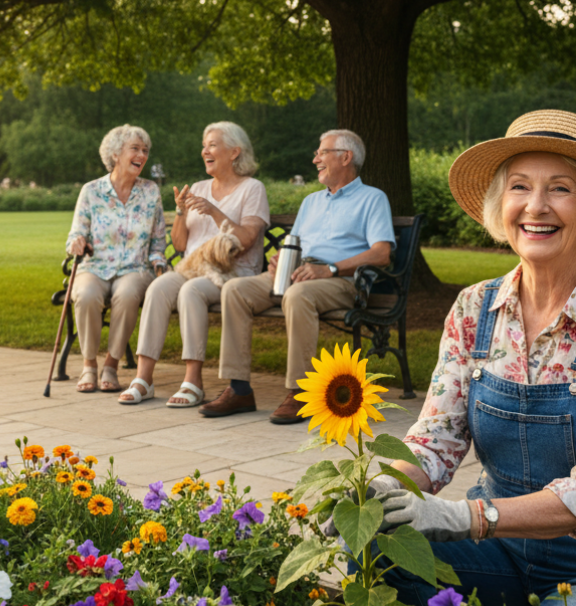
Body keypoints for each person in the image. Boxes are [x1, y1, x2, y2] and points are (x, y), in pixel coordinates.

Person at [352, 110, 576, 606]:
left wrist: (465, 517)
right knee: (371, 547)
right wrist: (377, 495)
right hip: (497, 550)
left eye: (561, 189)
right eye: (520, 187)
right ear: (501, 204)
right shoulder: (473, 308)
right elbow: (435, 442)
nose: (536, 206)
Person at [200, 129, 395, 423]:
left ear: (346, 157)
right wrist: (282, 260)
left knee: (297, 295)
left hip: (339, 280)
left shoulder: (372, 199)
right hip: (299, 272)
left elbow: (381, 253)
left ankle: (299, 393)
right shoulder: (312, 202)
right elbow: (295, 242)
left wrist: (329, 268)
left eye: (322, 152)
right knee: (235, 290)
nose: (315, 158)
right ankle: (239, 389)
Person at [119, 121, 270, 408]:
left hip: (233, 272)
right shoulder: (199, 187)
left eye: (212, 145)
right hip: (192, 266)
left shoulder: (252, 189)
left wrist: (214, 211)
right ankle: (143, 377)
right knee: (159, 287)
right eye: (204, 146)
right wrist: (179, 210)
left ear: (235, 152)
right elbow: (179, 245)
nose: (205, 151)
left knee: (192, 292)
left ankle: (193, 380)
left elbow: (247, 239)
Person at [66, 124, 165, 393]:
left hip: (135, 268)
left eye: (145, 150)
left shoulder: (150, 191)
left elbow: (157, 239)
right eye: (135, 149)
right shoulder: (91, 191)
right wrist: (76, 242)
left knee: (128, 294)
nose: (142, 155)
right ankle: (89, 365)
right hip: (95, 266)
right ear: (115, 154)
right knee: (85, 295)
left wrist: (158, 264)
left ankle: (111, 364)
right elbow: (76, 232)